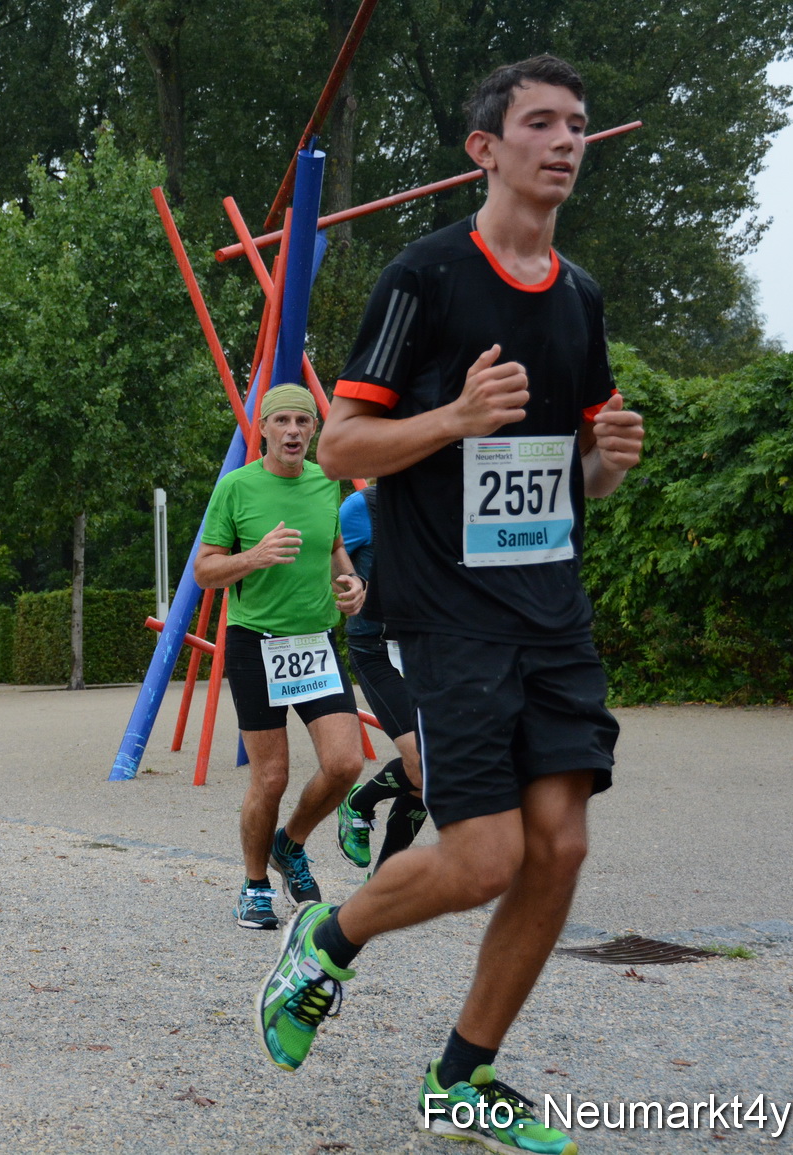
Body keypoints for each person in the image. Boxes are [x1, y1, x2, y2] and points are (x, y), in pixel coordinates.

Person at [253, 56, 646, 1155]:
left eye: (576, 125)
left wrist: (606, 461)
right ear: (485, 150)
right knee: (482, 859)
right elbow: (338, 443)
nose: (565, 141)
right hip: (447, 613)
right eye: (539, 124)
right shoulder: (424, 278)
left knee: (558, 850)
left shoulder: (578, 297)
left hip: (550, 610)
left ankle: (461, 1079)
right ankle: (328, 934)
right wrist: (455, 419)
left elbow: (571, 482)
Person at [193, 384, 368, 930]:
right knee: (270, 778)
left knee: (345, 765)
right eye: (283, 421)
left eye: (303, 421)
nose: (293, 431)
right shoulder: (237, 488)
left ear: (314, 430)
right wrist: (254, 556)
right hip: (256, 644)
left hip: (314, 643)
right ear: (264, 429)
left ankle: (289, 843)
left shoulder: (325, 482)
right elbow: (204, 570)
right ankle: (254, 884)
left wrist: (351, 581)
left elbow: (334, 546)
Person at [334, 485, 428, 876]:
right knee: (424, 762)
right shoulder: (362, 507)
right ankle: (358, 802)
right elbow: (329, 563)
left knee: (433, 772)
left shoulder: (446, 503)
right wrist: (354, 589)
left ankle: (385, 879)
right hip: (375, 648)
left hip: (427, 648)